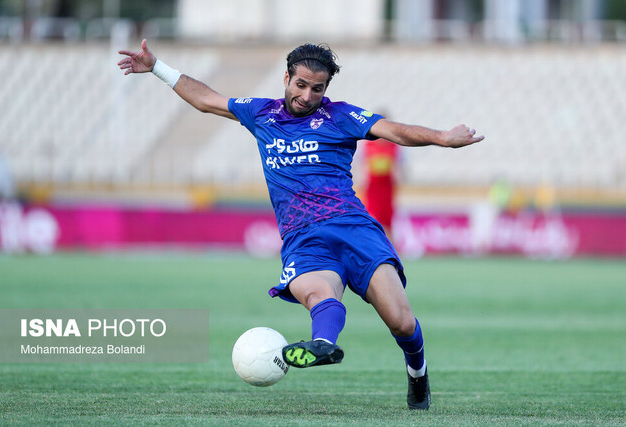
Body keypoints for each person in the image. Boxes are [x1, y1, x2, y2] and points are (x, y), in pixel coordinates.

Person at [118, 40, 484, 410]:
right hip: (303, 238)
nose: (307, 95)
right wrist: (157, 67)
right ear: (287, 78)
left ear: (326, 88)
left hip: (353, 229)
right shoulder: (262, 114)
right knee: (318, 293)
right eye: (301, 85)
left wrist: (442, 138)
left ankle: (418, 373)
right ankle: (323, 343)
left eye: (317, 88)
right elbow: (207, 100)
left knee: (402, 323)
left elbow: (393, 131)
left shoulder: (340, 117)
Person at [361, 136, 400, 241]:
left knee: (387, 219)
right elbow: (363, 167)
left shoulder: (394, 147)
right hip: (373, 188)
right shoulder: (367, 146)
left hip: (387, 187)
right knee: (372, 217)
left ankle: (389, 247)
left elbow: (398, 168)